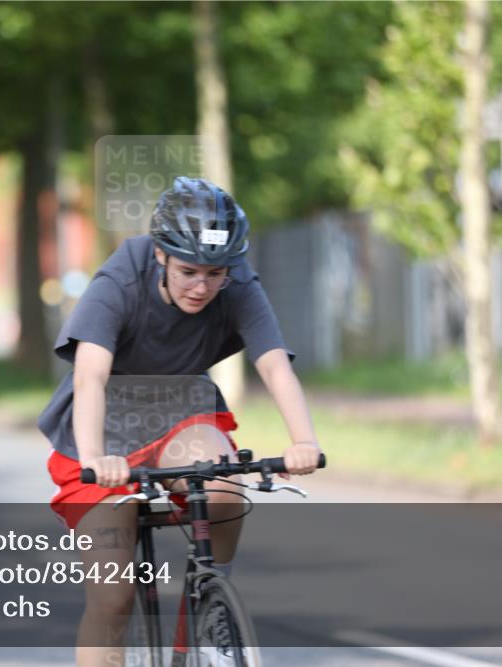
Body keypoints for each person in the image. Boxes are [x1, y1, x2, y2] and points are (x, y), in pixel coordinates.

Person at [37, 176, 323, 665]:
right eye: (189, 271)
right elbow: (89, 378)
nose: (203, 286)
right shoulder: (120, 279)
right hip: (101, 429)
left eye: (215, 274)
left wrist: (304, 441)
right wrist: (94, 459)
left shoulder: (235, 280)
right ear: (161, 256)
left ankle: (212, 600)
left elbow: (274, 364)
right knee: (114, 597)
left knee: (223, 484)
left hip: (179, 413)